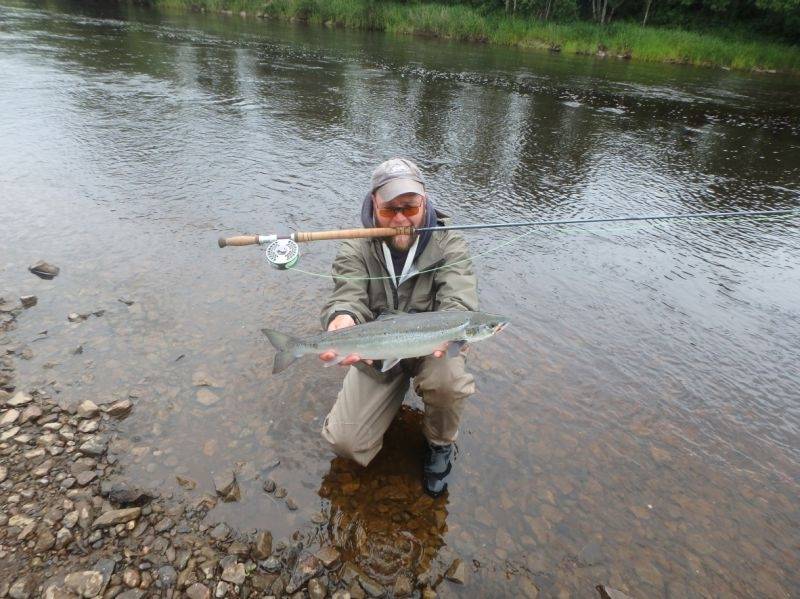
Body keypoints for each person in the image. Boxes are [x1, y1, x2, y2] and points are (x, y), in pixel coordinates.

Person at [318, 157, 478, 497]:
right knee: (345, 443)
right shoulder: (356, 246)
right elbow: (347, 293)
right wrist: (342, 318)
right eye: (390, 210)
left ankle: (439, 443)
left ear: (424, 200)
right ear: (373, 205)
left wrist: (453, 330)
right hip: (378, 352)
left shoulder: (450, 244)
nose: (402, 218)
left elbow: (459, 299)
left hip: (430, 349)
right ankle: (385, 399)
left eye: (410, 206)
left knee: (448, 381)